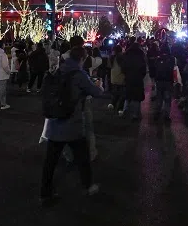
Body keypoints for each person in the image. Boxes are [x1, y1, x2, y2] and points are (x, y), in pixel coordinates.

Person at [40, 46, 103, 206]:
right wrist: (99, 86)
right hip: (72, 124)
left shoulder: (58, 70)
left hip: (54, 123)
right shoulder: (79, 74)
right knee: (83, 158)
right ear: (81, 59)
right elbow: (96, 92)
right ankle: (88, 186)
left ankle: (45, 193)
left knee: (50, 162)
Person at [120, 42, 147, 121]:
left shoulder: (126, 56)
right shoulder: (141, 57)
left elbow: (123, 68)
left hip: (128, 78)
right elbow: (143, 70)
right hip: (138, 79)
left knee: (128, 96)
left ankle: (125, 111)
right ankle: (135, 115)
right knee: (137, 98)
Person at [153, 44, 176, 122]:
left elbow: (155, 68)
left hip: (159, 80)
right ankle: (166, 115)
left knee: (159, 97)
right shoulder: (172, 59)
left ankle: (157, 113)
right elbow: (174, 69)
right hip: (168, 80)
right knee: (167, 98)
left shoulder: (158, 59)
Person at [108, 45, 126, 115]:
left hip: (113, 77)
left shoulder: (111, 57)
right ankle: (120, 108)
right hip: (121, 77)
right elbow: (124, 68)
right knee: (123, 94)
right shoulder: (121, 57)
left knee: (115, 92)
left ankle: (113, 104)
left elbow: (109, 67)